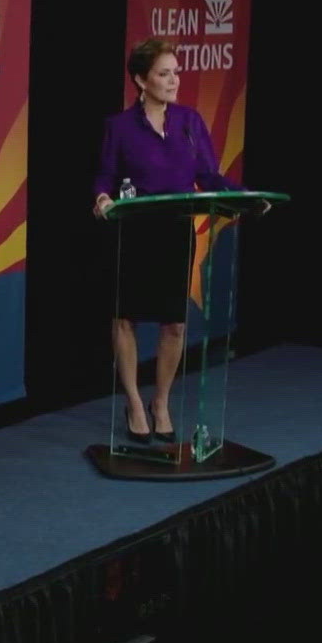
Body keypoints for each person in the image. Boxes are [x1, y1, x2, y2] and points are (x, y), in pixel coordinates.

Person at [92, 38, 245, 443]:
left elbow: (209, 177)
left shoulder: (190, 122)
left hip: (176, 232)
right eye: (164, 73)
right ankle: (134, 403)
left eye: (176, 72)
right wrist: (102, 197)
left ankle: (160, 401)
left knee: (174, 324)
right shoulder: (120, 127)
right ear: (141, 80)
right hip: (134, 233)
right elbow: (105, 176)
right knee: (125, 318)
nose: (174, 80)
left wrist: (241, 198)